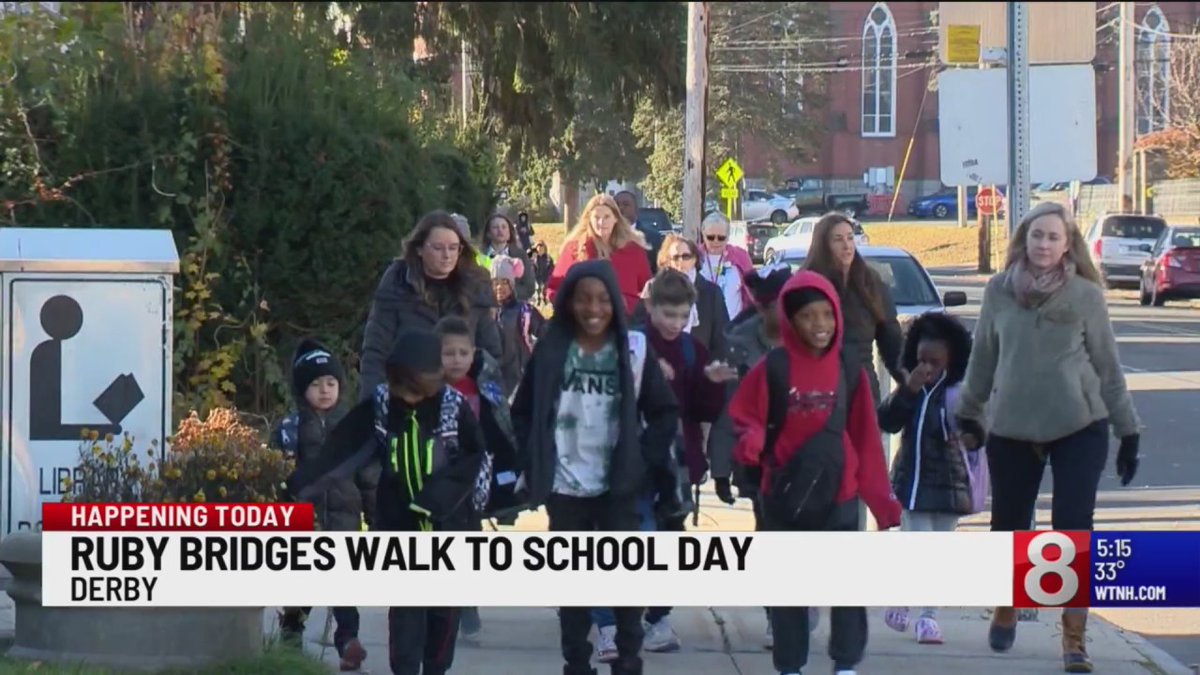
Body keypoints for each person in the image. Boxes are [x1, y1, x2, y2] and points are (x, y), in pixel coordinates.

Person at [956, 201, 1141, 673]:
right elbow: (982, 358)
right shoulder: (999, 291)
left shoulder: (1085, 296)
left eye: (1053, 238)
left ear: (1067, 245)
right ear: (1024, 239)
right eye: (1037, 235)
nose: (1043, 244)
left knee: (1072, 530)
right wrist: (970, 414)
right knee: (1010, 527)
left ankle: (1074, 639)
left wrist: (1128, 430)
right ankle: (1007, 601)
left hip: (1079, 425)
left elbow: (1107, 366)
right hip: (1013, 427)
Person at [286, 328, 491, 675]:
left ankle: (436, 669)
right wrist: (297, 487)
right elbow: (342, 449)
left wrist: (436, 501)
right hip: (400, 528)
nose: (407, 397)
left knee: (443, 617)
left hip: (450, 527)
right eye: (401, 387)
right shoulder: (382, 404)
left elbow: (473, 462)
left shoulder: (453, 409)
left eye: (415, 389)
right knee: (406, 618)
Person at [510, 259, 680, 675]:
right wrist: (534, 460)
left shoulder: (635, 349)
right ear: (568, 302)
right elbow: (523, 411)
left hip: (619, 485)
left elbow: (663, 412)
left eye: (603, 299)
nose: (593, 308)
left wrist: (643, 458)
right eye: (583, 298)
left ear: (615, 305)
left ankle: (627, 658)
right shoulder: (552, 348)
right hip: (565, 487)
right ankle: (577, 662)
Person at [729, 270, 902, 675]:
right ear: (790, 320)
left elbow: (865, 440)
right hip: (783, 496)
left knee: (844, 587)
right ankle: (790, 664)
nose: (820, 325)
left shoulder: (848, 370)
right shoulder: (773, 367)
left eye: (827, 314)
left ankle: (845, 663)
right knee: (788, 590)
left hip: (838, 495)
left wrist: (882, 502)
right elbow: (744, 416)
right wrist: (751, 441)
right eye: (808, 316)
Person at [591, 269, 737, 659]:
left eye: (682, 316)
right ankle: (608, 623)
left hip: (675, 463)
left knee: (669, 543)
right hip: (629, 459)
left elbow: (702, 410)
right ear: (650, 308)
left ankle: (656, 617)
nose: (674, 323)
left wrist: (711, 382)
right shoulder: (631, 345)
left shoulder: (693, 350)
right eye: (667, 314)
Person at [272, 339, 374, 671]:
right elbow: (279, 475)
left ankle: (349, 643)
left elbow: (368, 475)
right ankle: (289, 638)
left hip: (345, 521)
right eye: (316, 384)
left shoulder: (353, 426)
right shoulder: (291, 429)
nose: (325, 390)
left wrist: (374, 516)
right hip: (306, 522)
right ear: (303, 390)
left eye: (331, 383)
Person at [705, 265, 792, 649]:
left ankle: (796, 605)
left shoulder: (813, 337)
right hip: (757, 460)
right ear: (764, 307)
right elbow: (728, 410)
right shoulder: (738, 345)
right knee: (771, 533)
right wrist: (721, 470)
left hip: (806, 458)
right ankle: (779, 615)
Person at [878, 312, 975, 646]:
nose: (928, 367)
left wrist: (972, 432)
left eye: (935, 361)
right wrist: (908, 390)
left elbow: (977, 429)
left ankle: (927, 615)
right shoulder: (912, 388)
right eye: (922, 360)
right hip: (913, 484)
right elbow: (887, 421)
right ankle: (911, 606)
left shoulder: (958, 392)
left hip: (949, 485)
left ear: (952, 359)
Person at [435, 316, 524, 643]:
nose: (456, 359)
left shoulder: (483, 387)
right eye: (448, 353)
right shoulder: (429, 390)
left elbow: (500, 428)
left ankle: (467, 605)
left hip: (475, 479)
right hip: (438, 478)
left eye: (462, 352)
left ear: (473, 353)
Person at [359, 211, 502, 401]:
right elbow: (376, 350)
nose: (447, 256)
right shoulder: (396, 283)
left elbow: (491, 354)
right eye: (438, 248)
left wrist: (493, 406)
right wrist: (372, 404)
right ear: (419, 248)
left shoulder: (475, 285)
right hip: (407, 395)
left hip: (463, 400)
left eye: (453, 248)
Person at [802, 212, 903, 402]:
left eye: (850, 238)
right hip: (818, 390)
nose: (847, 246)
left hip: (862, 388)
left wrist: (909, 382)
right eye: (838, 239)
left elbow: (892, 342)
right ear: (823, 245)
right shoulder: (808, 284)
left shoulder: (870, 283)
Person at [547, 194, 653, 316]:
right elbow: (554, 289)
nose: (601, 222)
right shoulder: (574, 249)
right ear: (589, 220)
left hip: (625, 322)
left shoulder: (634, 251)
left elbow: (647, 290)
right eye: (596, 217)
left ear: (616, 218)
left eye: (607, 217)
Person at [632, 233, 729, 359]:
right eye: (675, 257)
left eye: (686, 256)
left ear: (694, 259)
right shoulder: (652, 288)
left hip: (700, 365)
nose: (680, 262)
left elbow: (722, 338)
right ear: (667, 261)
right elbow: (639, 327)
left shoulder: (711, 293)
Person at [490, 255, 546, 396]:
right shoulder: (485, 312)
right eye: (495, 282)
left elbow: (546, 332)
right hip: (493, 380)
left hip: (519, 379)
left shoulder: (524, 311)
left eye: (504, 282)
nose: (499, 287)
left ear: (512, 284)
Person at [698, 212, 755, 321]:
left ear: (728, 236)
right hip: (702, 326)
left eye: (721, 238)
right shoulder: (694, 255)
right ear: (703, 234)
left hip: (733, 327)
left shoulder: (740, 256)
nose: (715, 241)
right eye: (710, 237)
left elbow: (751, 292)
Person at [481, 213, 536, 302]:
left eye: (504, 227)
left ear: (509, 233)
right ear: (488, 233)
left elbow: (529, 287)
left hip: (513, 308)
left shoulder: (520, 255)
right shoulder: (480, 256)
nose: (500, 230)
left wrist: (508, 293)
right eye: (495, 227)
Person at [614, 190, 664, 273]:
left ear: (636, 209)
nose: (620, 208)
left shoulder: (653, 238)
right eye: (616, 205)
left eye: (626, 204)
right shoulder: (606, 236)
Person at [530, 240, 555, 306]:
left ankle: (545, 299)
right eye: (538, 249)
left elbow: (551, 268)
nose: (540, 250)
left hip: (545, 276)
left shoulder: (548, 258)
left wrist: (549, 277)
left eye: (542, 249)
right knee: (537, 288)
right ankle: (537, 300)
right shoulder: (533, 258)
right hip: (536, 276)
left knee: (545, 288)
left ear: (545, 249)